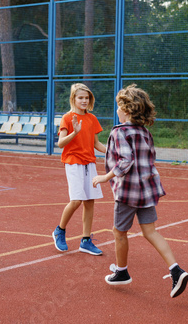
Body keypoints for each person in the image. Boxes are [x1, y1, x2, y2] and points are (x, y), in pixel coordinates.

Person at [92, 84, 188, 298]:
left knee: (119, 232)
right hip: (146, 190)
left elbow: (126, 160)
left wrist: (105, 177)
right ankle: (176, 270)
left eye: (118, 107)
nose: (117, 110)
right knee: (150, 231)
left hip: (127, 193)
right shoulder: (144, 132)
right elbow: (146, 158)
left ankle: (122, 272)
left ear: (126, 110)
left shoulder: (119, 132)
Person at [52, 83, 107, 256]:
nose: (84, 100)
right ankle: (59, 231)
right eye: (80, 97)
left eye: (86, 98)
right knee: (76, 200)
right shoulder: (67, 118)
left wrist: (115, 151)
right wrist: (74, 132)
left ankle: (85, 241)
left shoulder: (92, 119)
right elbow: (60, 143)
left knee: (90, 202)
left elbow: (96, 143)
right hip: (73, 162)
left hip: (89, 163)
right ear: (73, 99)